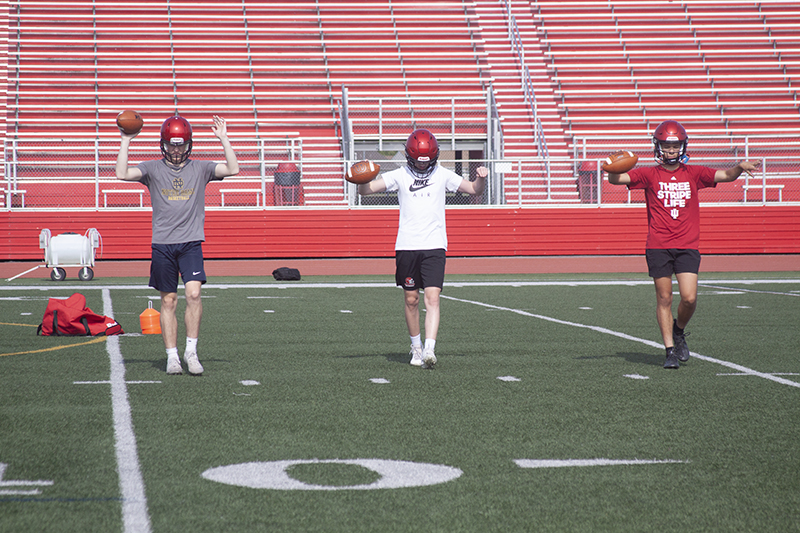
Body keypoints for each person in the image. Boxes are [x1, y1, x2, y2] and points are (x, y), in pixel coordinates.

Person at [606, 120, 758, 369]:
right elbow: (616, 180)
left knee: (688, 298)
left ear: (683, 147)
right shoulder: (648, 173)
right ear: (658, 147)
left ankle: (679, 331)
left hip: (687, 244)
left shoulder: (694, 173)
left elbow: (726, 176)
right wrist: (611, 167)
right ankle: (669, 352)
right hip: (658, 244)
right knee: (664, 298)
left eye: (675, 146)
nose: (670, 150)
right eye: (666, 146)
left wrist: (739, 167)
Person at [115, 115, 239, 375]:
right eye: (171, 145)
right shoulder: (152, 168)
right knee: (169, 300)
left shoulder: (201, 168)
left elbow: (233, 169)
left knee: (193, 294)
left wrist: (224, 138)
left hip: (191, 242)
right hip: (163, 243)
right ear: (163, 144)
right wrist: (126, 140)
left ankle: (191, 352)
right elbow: (122, 173)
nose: (175, 150)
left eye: (180, 145)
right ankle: (172, 356)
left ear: (188, 145)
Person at [357, 128, 488, 369]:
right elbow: (366, 192)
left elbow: (474, 190)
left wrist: (480, 178)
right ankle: (415, 347)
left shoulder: (442, 174)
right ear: (409, 157)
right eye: (417, 161)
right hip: (407, 245)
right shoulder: (399, 174)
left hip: (435, 245)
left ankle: (429, 349)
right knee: (411, 299)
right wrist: (361, 179)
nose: (420, 165)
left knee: (432, 298)